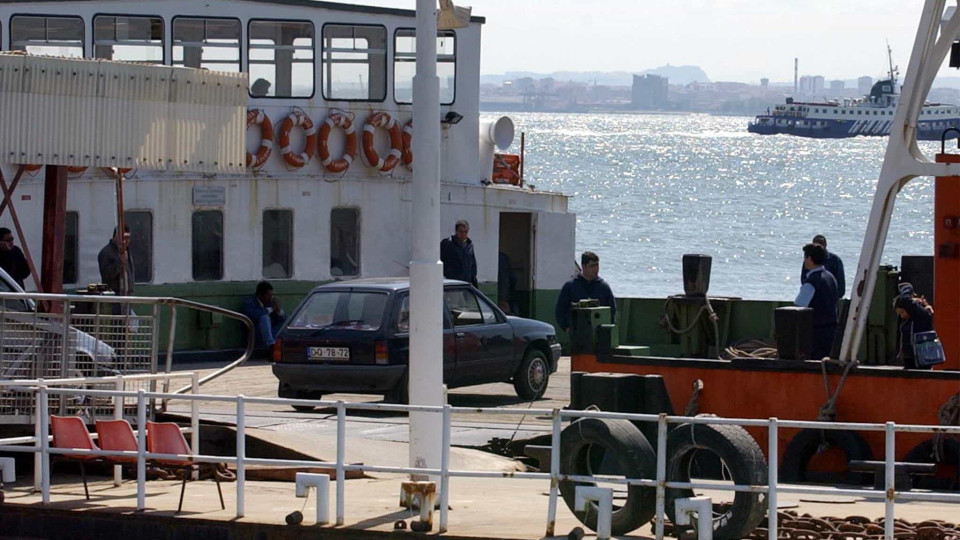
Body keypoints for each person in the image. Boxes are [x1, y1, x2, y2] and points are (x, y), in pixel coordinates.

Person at [794, 243, 839, 359]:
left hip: (817, 333)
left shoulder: (812, 282)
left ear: (809, 259)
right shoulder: (830, 277)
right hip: (831, 330)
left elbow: (798, 306)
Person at [555, 251, 616, 333]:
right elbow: (560, 310)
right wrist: (566, 327)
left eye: (597, 265)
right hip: (577, 333)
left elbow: (612, 310)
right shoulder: (570, 286)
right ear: (584, 267)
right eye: (592, 266)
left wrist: (607, 329)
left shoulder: (604, 287)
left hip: (599, 333)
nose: (596, 269)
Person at [893, 282, 935, 370]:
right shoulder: (909, 321)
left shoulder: (922, 315)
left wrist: (906, 288)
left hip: (921, 360)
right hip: (910, 359)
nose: (902, 316)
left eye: (902, 312)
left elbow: (905, 300)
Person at [242, 281, 286, 349]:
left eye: (271, 295)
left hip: (272, 333)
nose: (270, 298)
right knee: (264, 318)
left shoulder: (270, 303)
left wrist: (278, 311)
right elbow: (252, 315)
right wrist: (269, 310)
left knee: (285, 322)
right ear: (260, 295)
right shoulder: (250, 302)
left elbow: (280, 320)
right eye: (268, 295)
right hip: (256, 334)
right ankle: (271, 345)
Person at [98, 226, 135, 296]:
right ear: (116, 236)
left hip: (128, 294)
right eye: (124, 237)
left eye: (128, 238)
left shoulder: (127, 251)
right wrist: (120, 262)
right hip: (114, 295)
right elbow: (106, 275)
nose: (126, 240)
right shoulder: (106, 252)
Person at [440, 220, 478, 287]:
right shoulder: (448, 243)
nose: (463, 234)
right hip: (452, 284)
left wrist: (473, 278)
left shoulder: (469, 245)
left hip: (466, 284)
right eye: (461, 232)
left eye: (465, 232)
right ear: (456, 231)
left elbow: (473, 264)